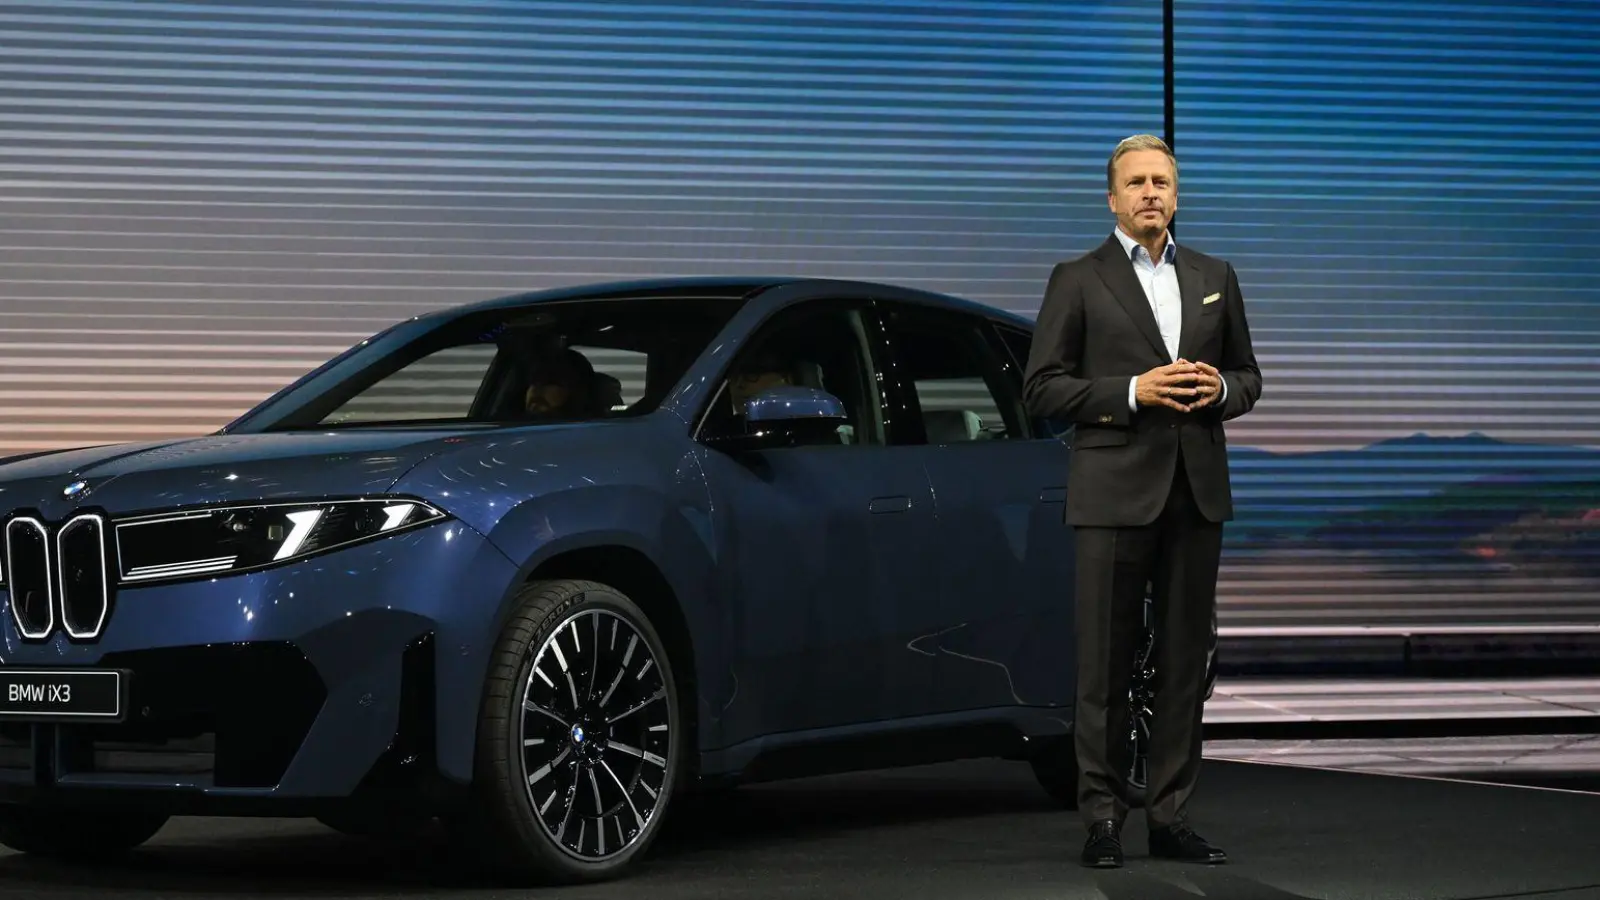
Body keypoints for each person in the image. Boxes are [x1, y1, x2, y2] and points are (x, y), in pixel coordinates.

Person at [1022, 134, 1261, 869]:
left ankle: (1171, 818)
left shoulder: (1215, 275)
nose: (1151, 192)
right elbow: (1041, 390)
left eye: (1162, 181)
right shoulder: (1077, 278)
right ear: (1113, 199)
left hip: (1195, 491)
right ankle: (1101, 820)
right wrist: (1131, 391)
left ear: (1177, 195)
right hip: (1112, 494)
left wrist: (1219, 389)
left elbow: (1249, 376)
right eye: (1137, 182)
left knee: (1183, 667)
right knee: (1105, 666)